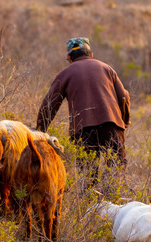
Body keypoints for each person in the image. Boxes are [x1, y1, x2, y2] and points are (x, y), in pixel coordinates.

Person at [36, 37, 130, 184]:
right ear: (91, 54)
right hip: (112, 126)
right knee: (116, 168)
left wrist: (40, 130)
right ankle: (110, 198)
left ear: (69, 57)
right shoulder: (107, 68)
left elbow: (49, 105)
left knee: (88, 174)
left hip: (83, 130)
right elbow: (124, 97)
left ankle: (91, 204)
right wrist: (124, 121)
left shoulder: (64, 74)